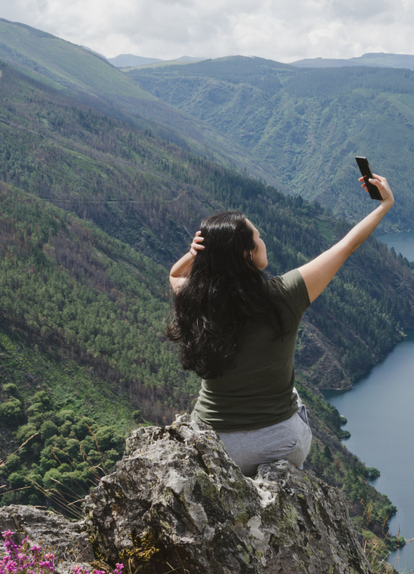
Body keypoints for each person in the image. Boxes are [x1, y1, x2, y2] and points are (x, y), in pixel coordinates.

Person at [166, 173, 394, 474]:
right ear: (248, 254)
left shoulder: (195, 299)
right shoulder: (284, 294)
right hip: (280, 447)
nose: (263, 241)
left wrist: (194, 254)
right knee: (295, 398)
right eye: (258, 238)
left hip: (213, 448)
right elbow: (345, 247)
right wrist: (384, 204)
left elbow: (175, 276)